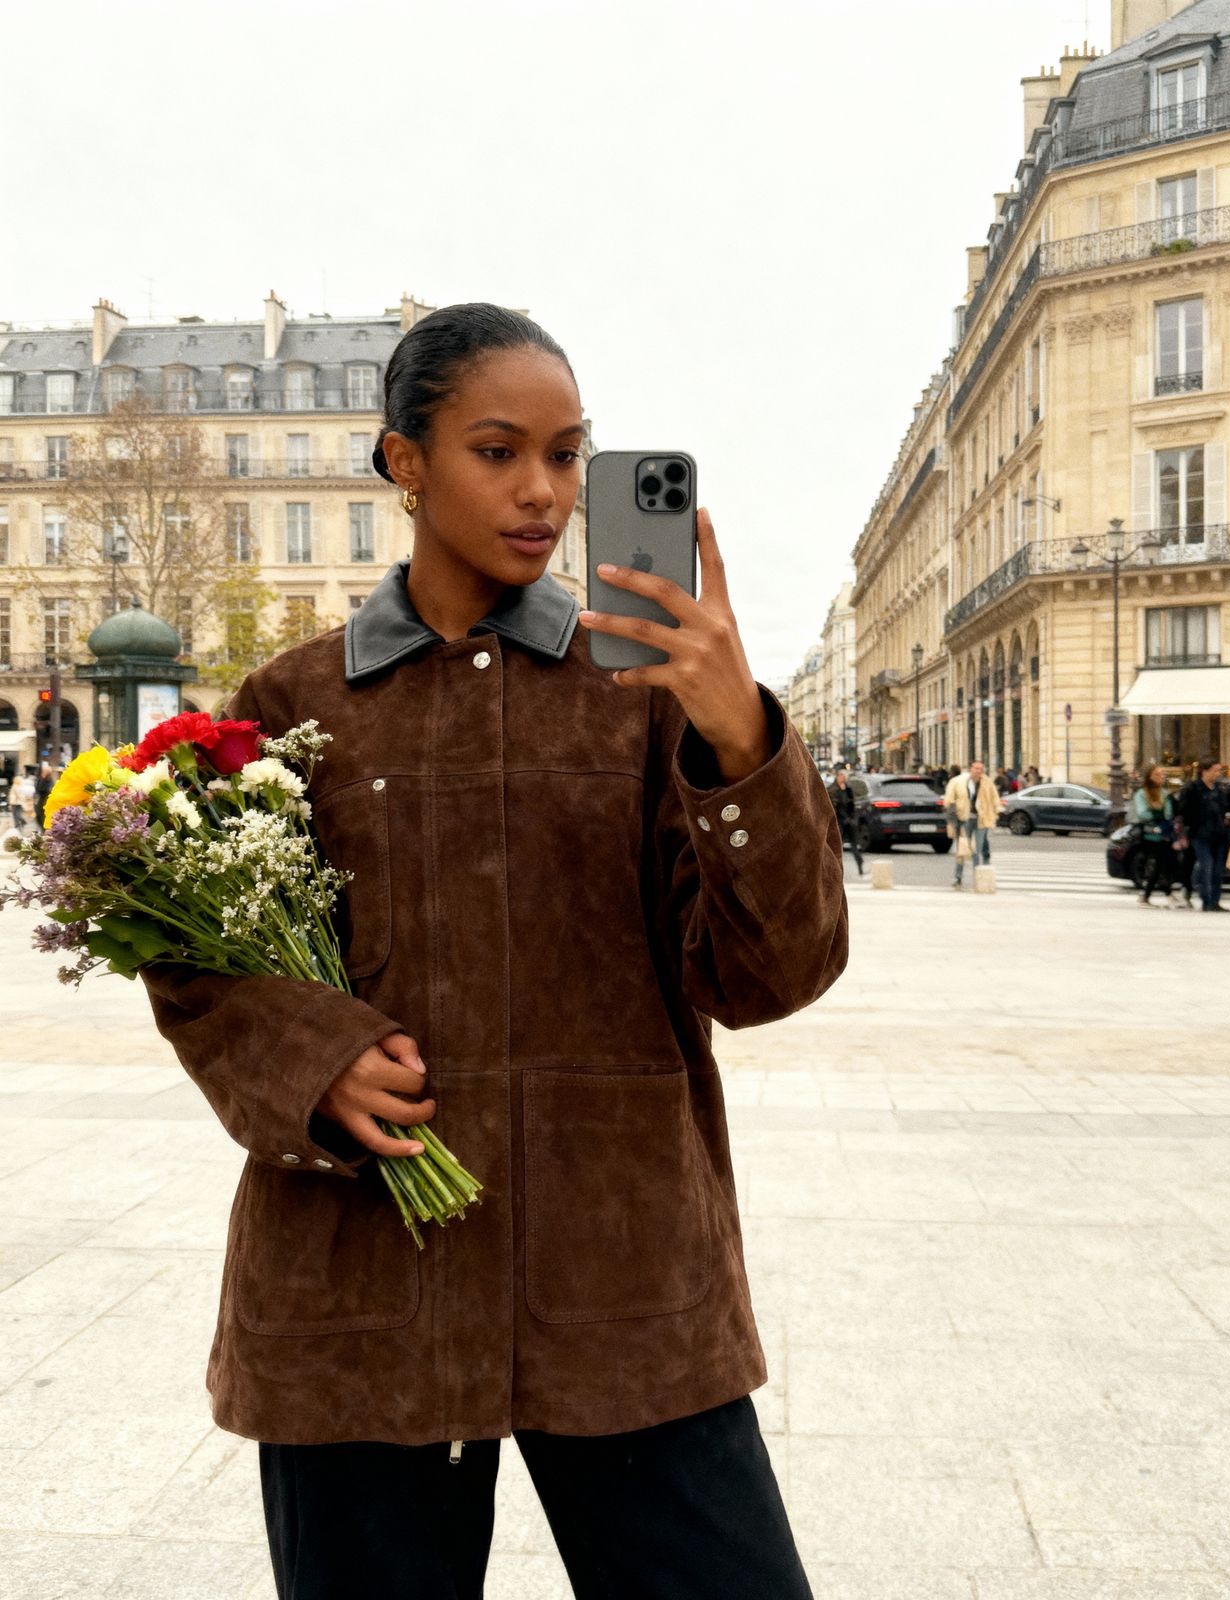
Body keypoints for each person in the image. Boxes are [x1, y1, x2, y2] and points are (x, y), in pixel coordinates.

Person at [138, 304, 847, 1600]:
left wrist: (736, 737)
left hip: (623, 1282)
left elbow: (768, 974)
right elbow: (199, 964)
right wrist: (313, 1064)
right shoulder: (287, 707)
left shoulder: (640, 698)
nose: (542, 492)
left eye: (568, 456)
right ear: (402, 463)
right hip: (360, 1298)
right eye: (498, 449)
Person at [1178, 755, 1230, 912]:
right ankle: (1206, 900)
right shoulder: (1192, 788)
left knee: (1217, 870)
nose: (1218, 774)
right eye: (1215, 771)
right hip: (1199, 834)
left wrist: (1228, 818)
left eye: (1219, 771)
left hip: (1218, 834)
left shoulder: (1219, 789)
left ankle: (1215, 901)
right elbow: (1183, 811)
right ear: (1205, 771)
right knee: (1206, 866)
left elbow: (1225, 808)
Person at [943, 757, 1001, 889]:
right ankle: (957, 877)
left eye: (980, 769)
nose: (978, 771)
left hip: (981, 820)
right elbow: (949, 800)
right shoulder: (958, 782)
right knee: (962, 850)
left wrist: (994, 815)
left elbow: (995, 799)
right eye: (976, 768)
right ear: (971, 769)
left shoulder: (987, 783)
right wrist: (952, 820)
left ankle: (978, 878)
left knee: (977, 850)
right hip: (964, 819)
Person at [1131, 763, 1177, 906]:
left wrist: (1161, 814)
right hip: (1149, 835)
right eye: (1157, 774)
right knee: (1157, 864)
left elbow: (1169, 813)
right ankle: (1156, 894)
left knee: (1164, 864)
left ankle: (1151, 894)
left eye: (1163, 774)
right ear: (1150, 777)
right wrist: (1159, 813)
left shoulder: (1164, 793)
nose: (1161, 777)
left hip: (1164, 833)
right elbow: (1142, 813)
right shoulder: (1142, 793)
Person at [832, 768, 864, 874]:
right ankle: (836, 869)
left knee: (854, 844)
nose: (842, 777)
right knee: (837, 846)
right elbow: (833, 807)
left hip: (849, 821)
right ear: (837, 776)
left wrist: (852, 818)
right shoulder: (832, 789)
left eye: (844, 776)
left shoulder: (848, 789)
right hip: (839, 822)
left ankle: (860, 864)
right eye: (840, 775)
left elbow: (852, 805)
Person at [10, 767, 35, 834]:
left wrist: (23, 800)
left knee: (16, 815)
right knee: (16, 814)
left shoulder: (16, 786)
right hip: (16, 803)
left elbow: (18, 795)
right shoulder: (17, 786)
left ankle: (19, 825)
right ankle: (19, 824)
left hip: (16, 803)